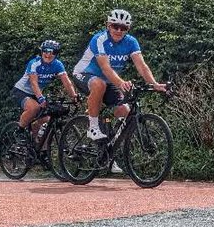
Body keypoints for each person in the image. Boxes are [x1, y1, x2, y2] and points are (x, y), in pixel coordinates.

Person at [71, 9, 167, 141]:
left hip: (109, 81)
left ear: (128, 29)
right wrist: (121, 83)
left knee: (124, 111)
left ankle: (110, 148)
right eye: (115, 26)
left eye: (123, 28)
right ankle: (93, 128)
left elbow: (141, 66)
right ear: (108, 25)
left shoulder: (131, 42)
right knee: (99, 84)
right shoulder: (99, 39)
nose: (119, 30)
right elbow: (105, 68)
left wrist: (154, 84)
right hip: (83, 74)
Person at [10, 39, 79, 146]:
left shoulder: (58, 65)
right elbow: (34, 83)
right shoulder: (34, 63)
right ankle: (20, 130)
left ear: (56, 54)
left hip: (36, 93)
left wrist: (73, 96)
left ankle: (37, 145)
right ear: (41, 52)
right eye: (46, 51)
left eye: (53, 52)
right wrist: (41, 98)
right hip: (21, 91)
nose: (48, 54)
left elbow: (66, 82)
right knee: (34, 108)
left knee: (47, 120)